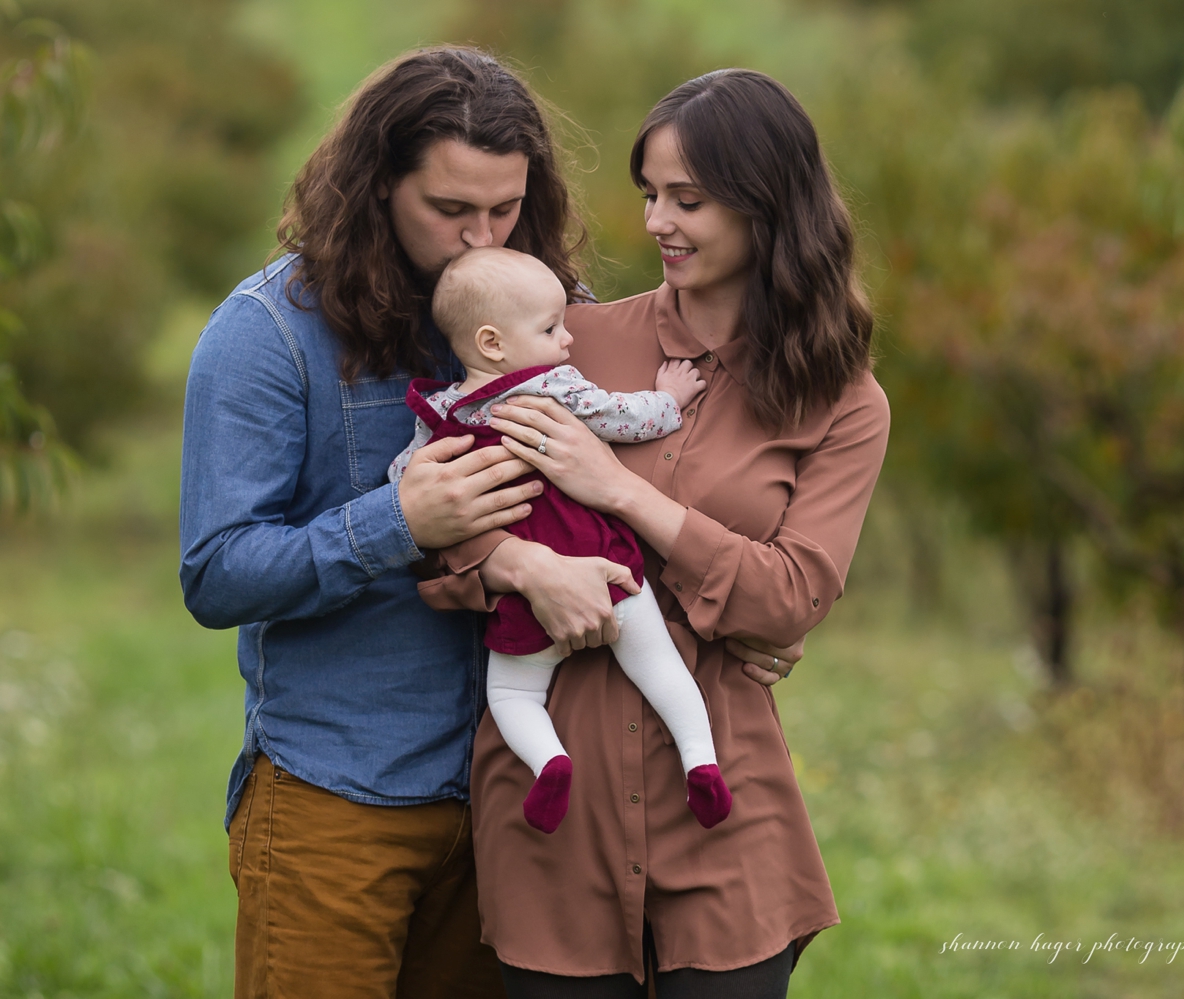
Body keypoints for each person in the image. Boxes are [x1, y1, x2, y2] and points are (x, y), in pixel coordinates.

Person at [420, 69, 890, 996]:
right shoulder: (568, 344)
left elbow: (792, 598)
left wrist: (620, 494)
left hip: (722, 811)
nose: (657, 223)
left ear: (770, 205)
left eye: (689, 199)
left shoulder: (844, 400)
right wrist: (514, 563)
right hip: (556, 817)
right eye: (650, 195)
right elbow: (444, 526)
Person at [178, 47, 634, 999]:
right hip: (336, 803)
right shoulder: (268, 332)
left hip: (519, 804)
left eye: (504, 210)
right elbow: (216, 573)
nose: (481, 240)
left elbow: (658, 461)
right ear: (377, 186)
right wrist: (397, 518)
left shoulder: (549, 317)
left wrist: (745, 605)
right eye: (450, 210)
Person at [388, 247, 730, 835]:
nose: (568, 339)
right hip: (600, 557)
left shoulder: (441, 411)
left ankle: (549, 762)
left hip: (520, 594)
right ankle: (702, 761)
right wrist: (670, 399)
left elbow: (407, 478)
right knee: (661, 669)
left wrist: (405, 494)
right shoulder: (552, 387)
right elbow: (621, 417)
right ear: (494, 344)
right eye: (551, 327)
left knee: (513, 695)